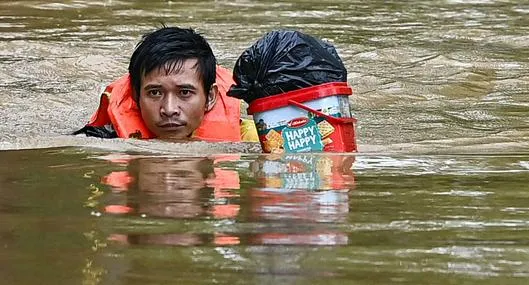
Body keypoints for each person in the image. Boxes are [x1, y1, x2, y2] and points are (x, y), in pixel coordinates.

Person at [74, 26, 258, 142]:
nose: (169, 109)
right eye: (155, 93)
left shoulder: (252, 139)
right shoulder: (102, 139)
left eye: (185, 92)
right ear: (136, 97)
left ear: (210, 97)